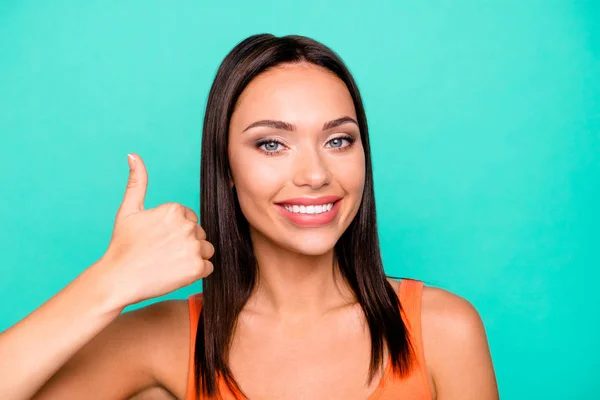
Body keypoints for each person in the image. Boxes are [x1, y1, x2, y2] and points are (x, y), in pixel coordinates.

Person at [0, 34, 499, 400]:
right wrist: (109, 282)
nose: (315, 173)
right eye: (272, 144)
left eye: (338, 140)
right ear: (228, 168)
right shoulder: (165, 340)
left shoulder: (443, 329)